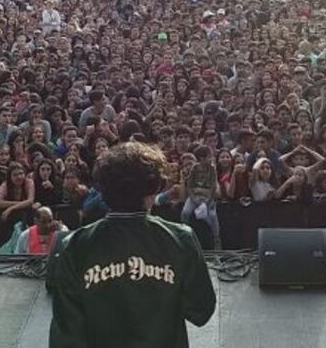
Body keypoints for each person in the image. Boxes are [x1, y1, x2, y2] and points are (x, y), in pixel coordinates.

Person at [48, 142, 216, 348]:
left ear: (103, 189)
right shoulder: (181, 239)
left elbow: (65, 336)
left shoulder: (74, 245)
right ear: (152, 189)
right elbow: (201, 311)